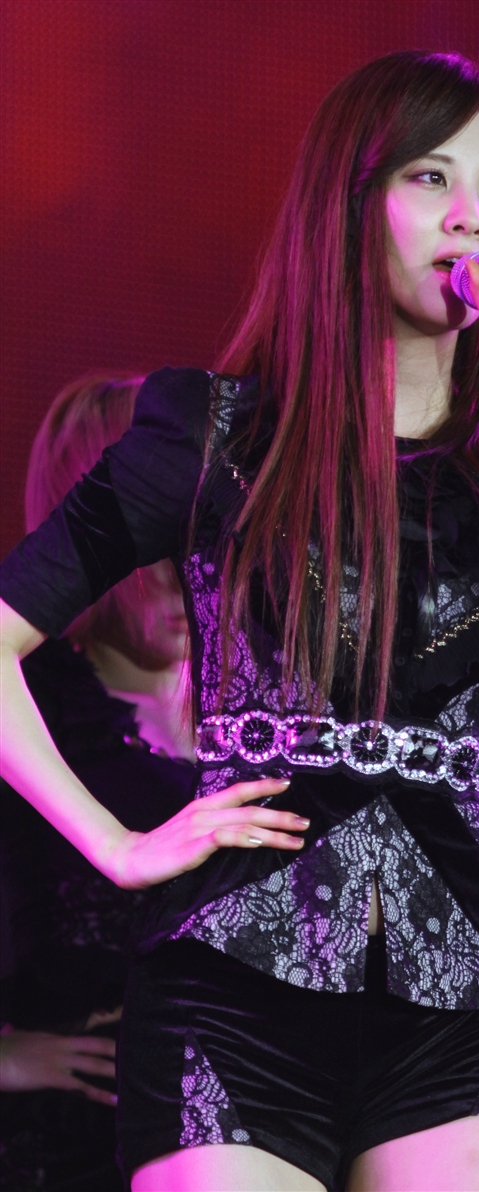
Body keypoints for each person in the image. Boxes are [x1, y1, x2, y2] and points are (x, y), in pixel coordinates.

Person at [0, 51, 479, 1192]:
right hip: (231, 991)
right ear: (349, 208)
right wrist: (116, 845)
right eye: (429, 178)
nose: (470, 216)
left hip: (453, 996)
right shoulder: (213, 435)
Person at [0, 374, 195, 1191]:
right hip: (70, 1147)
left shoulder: (265, 710)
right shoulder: (29, 718)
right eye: (160, 547)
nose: (185, 575)